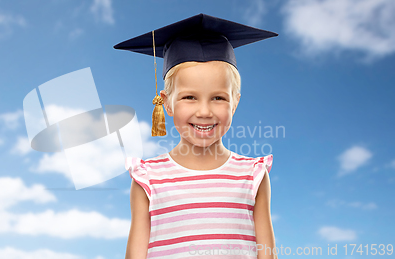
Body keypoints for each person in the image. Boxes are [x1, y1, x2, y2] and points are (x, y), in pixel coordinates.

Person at [114, 13, 278, 259]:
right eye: (189, 97)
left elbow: (267, 254)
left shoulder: (253, 174)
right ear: (166, 103)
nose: (204, 111)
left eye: (219, 98)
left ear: (235, 103)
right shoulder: (147, 178)